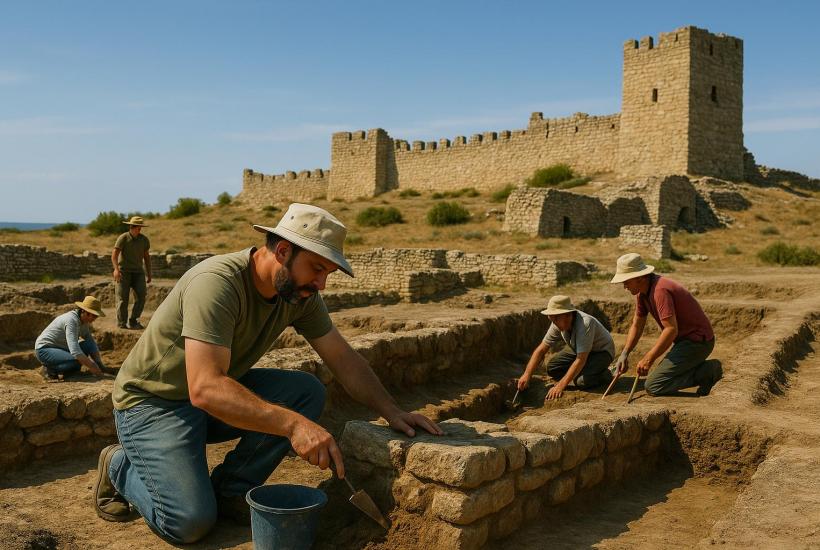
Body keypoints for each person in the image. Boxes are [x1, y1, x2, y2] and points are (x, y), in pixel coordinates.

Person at [93, 203, 443, 544]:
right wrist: (293, 425)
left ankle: (231, 491)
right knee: (189, 522)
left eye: (328, 274)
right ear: (282, 251)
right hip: (153, 403)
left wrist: (392, 411)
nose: (321, 283)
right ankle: (119, 465)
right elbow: (205, 388)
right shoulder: (217, 283)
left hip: (204, 400)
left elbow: (343, 358)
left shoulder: (299, 294)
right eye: (317, 268)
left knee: (305, 392)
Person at [610, 252, 721, 396]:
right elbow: (637, 325)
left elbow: (670, 330)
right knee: (658, 380)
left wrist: (648, 359)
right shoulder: (642, 294)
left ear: (639, 278)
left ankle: (708, 371)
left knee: (654, 385)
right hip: (684, 342)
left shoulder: (660, 291)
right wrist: (624, 354)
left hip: (698, 342)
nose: (624, 286)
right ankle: (698, 369)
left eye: (626, 281)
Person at [518, 294, 616, 400]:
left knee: (582, 381)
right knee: (553, 368)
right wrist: (527, 375)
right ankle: (584, 372)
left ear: (568, 315)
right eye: (551, 318)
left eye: (555, 318)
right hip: (579, 349)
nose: (553, 322)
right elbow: (541, 349)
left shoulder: (585, 324)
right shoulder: (557, 322)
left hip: (601, 352)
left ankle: (605, 374)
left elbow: (581, 359)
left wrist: (561, 385)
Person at [34, 295, 107, 380]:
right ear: (84, 311)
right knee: (76, 361)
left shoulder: (84, 321)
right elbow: (75, 351)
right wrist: (92, 366)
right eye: (94, 315)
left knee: (87, 345)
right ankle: (50, 370)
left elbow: (90, 342)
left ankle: (70, 372)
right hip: (45, 349)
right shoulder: (71, 321)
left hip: (61, 347)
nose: (95, 319)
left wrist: (99, 364)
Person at [112, 215, 152, 330]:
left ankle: (134, 320)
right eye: (137, 227)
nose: (139, 230)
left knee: (141, 296)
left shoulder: (144, 240)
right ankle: (122, 323)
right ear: (131, 227)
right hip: (123, 272)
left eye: (140, 227)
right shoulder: (123, 238)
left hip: (138, 272)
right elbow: (114, 255)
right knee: (122, 299)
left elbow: (147, 258)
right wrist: (116, 269)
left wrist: (149, 274)